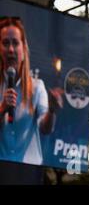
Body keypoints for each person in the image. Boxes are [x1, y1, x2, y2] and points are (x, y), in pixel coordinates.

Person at [0, 17, 63, 167]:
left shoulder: (36, 87)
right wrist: (2, 109)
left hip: (27, 171)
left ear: (23, 48)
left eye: (15, 43)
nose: (10, 49)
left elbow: (44, 127)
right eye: (5, 43)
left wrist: (52, 111)